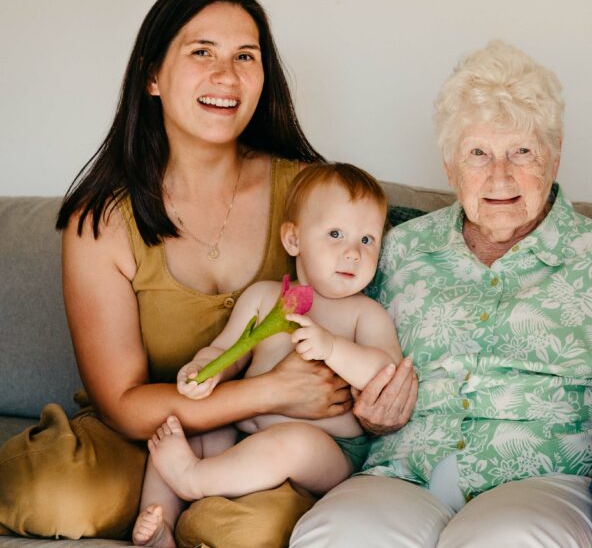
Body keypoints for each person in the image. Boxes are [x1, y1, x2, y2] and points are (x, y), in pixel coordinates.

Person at [0, 0, 351, 547]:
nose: (226, 75)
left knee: (252, 530)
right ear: (153, 75)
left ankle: (191, 515)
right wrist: (273, 391)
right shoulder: (102, 219)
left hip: (257, 446)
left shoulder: (310, 192)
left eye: (245, 56)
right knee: (49, 490)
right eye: (201, 52)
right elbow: (125, 404)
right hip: (135, 442)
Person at [289, 40, 592, 547]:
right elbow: (337, 357)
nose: (500, 176)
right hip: (404, 472)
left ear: (555, 153)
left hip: (545, 482)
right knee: (337, 533)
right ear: (449, 166)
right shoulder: (396, 251)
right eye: (478, 153)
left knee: (506, 539)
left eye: (522, 151)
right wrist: (366, 414)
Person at [132, 163, 403, 547]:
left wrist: (332, 348)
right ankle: (160, 526)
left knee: (291, 443)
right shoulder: (263, 297)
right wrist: (206, 368)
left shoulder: (364, 314)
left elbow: (384, 371)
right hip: (245, 432)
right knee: (179, 428)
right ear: (293, 240)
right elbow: (228, 349)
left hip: (326, 452)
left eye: (367, 240)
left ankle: (191, 478)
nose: (352, 253)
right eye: (336, 234)